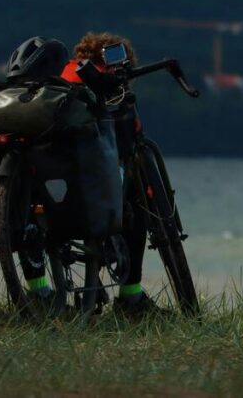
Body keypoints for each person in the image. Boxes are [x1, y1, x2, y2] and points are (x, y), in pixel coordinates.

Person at [61, 31, 165, 317]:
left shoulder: (60, 83)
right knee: (137, 204)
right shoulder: (103, 93)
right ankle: (130, 298)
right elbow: (128, 142)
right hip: (92, 200)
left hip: (54, 198)